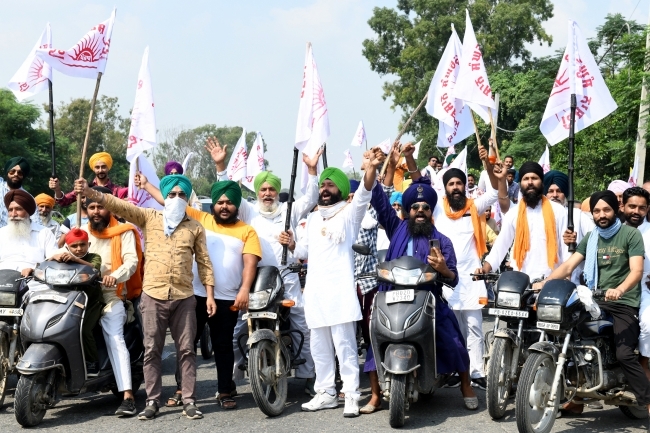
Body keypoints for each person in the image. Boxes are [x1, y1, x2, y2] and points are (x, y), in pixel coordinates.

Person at [74, 174, 215, 421]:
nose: (177, 199)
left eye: (182, 195)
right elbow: (119, 206)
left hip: (184, 297)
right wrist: (91, 193)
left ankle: (190, 401)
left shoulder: (195, 227)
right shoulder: (149, 218)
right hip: (153, 295)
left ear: (188, 198)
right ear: (163, 198)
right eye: (171, 195)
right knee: (152, 351)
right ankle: (152, 401)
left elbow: (204, 263)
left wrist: (210, 295)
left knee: (187, 351)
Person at [200, 137, 321, 396]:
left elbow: (311, 197)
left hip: (287, 277)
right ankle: (233, 376)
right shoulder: (249, 211)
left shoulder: (289, 209)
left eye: (272, 190)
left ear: (278, 192)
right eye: (263, 189)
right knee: (238, 328)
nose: (267, 193)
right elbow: (228, 190)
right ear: (257, 192)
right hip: (257, 280)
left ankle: (309, 375)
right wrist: (221, 165)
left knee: (302, 323)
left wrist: (311, 170)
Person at [389, 141, 508, 390]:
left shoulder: (474, 206)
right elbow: (419, 182)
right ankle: (454, 370)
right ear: (445, 188)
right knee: (451, 327)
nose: (456, 187)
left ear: (465, 186)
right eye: (451, 184)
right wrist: (410, 159)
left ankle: (475, 371)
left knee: (474, 326)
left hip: (472, 275)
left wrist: (489, 163)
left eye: (459, 183)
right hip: (444, 275)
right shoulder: (438, 210)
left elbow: (497, 192)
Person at [370, 168, 479, 410]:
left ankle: (466, 385)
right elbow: (378, 198)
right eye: (415, 207)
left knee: (453, 338)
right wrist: (371, 169)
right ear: (407, 211)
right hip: (393, 298)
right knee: (375, 336)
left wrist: (443, 268)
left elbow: (453, 279)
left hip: (429, 301)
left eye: (425, 208)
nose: (420, 211)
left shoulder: (442, 241)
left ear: (431, 212)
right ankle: (376, 395)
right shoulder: (395, 228)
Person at [536, 190, 650, 415]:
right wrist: (545, 282)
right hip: (594, 299)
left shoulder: (630, 235)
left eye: (606, 209)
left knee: (624, 354)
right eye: (596, 211)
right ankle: (577, 395)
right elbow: (569, 266)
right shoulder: (592, 237)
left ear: (616, 210)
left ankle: (647, 401)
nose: (601, 214)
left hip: (623, 303)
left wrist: (620, 289)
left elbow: (636, 271)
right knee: (568, 335)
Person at [294, 149, 384, 418]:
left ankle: (351, 395)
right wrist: (290, 244)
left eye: (330, 184)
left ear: (341, 189)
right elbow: (302, 253)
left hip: (341, 292)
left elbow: (365, 193)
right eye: (322, 184)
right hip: (316, 293)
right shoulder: (311, 218)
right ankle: (325, 393)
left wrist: (370, 168)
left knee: (344, 346)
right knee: (319, 346)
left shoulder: (349, 214)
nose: (324, 188)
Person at [84, 186, 143, 416]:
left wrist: (114, 276)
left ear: (109, 208)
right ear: (85, 209)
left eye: (100, 206)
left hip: (112, 294)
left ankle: (127, 395)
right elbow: (66, 251)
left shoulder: (124, 231)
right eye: (92, 207)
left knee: (114, 336)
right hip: (83, 294)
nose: (96, 211)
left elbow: (131, 262)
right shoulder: (80, 231)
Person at [477, 162, 568, 281]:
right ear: (520, 184)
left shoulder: (559, 211)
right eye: (526, 179)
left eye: (534, 178)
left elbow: (565, 249)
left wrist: (567, 277)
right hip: (520, 283)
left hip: (552, 281)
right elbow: (500, 246)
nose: (530, 182)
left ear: (542, 182)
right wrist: (485, 269)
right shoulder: (513, 213)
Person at [347, 178, 382, 414]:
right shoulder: (340, 219)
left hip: (369, 284)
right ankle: (347, 387)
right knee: (346, 339)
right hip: (346, 285)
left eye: (353, 196)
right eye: (347, 197)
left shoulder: (369, 217)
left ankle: (377, 392)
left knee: (371, 337)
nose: (350, 201)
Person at [48, 228, 103, 376]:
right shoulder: (63, 259)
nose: (79, 249)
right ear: (67, 247)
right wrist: (51, 259)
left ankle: (93, 362)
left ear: (88, 244)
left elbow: (94, 268)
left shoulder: (93, 257)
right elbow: (45, 266)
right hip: (68, 303)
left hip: (91, 303)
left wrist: (75, 260)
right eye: (74, 246)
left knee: (84, 330)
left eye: (82, 245)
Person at [545, 170, 595, 285]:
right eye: (550, 191)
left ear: (565, 194)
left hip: (574, 282)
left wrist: (576, 246)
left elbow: (595, 243)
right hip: (543, 280)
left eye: (559, 191)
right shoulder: (538, 218)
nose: (555, 195)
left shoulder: (578, 215)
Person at [0, 190, 57, 289]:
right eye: (10, 210)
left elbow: (53, 261)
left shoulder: (44, 233)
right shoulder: (1, 233)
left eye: (18, 209)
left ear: (28, 211)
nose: (13, 214)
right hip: (2, 284)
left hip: (35, 285)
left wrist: (35, 270)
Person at [51, 152, 128, 207]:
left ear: (108, 167)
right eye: (97, 167)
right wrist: (57, 189)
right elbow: (64, 201)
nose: (100, 170)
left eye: (103, 167)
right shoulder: (86, 188)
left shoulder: (117, 191)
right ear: (93, 169)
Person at [0, 157, 32, 228]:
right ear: (7, 173)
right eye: (12, 171)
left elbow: (35, 221)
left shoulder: (27, 198)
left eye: (20, 173)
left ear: (23, 176)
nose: (15, 174)